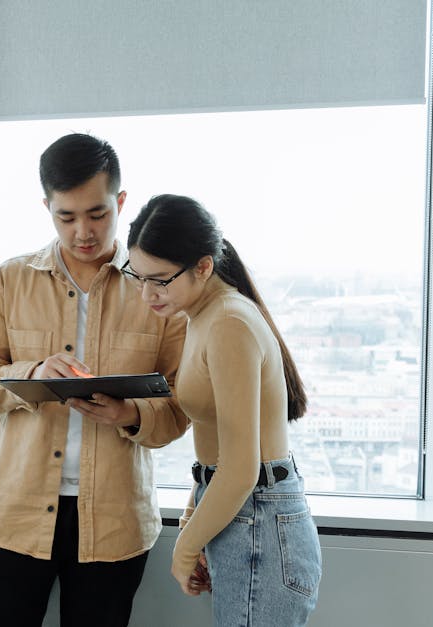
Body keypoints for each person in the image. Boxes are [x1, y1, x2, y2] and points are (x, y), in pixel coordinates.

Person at [0, 134, 189, 627]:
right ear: (47, 207)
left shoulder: (159, 291)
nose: (83, 231)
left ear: (121, 202)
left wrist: (129, 413)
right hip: (14, 515)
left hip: (113, 523)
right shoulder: (9, 281)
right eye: (66, 217)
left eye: (98, 214)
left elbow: (179, 407)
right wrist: (33, 373)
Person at [125, 194, 322, 625]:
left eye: (160, 280)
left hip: (258, 519)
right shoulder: (202, 315)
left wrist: (186, 546)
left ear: (203, 266)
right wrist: (197, 513)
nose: (147, 294)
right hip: (246, 516)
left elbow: (240, 469)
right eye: (137, 277)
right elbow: (216, 450)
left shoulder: (229, 322)